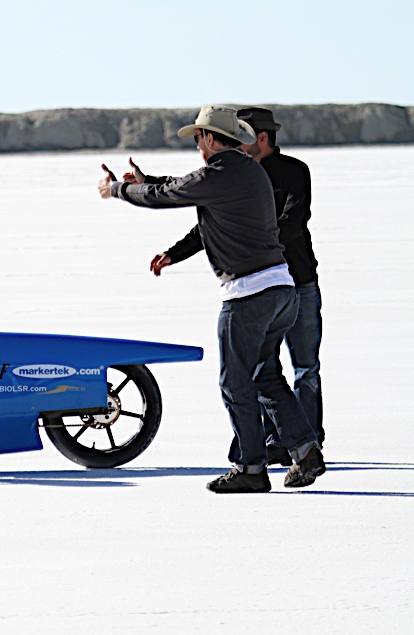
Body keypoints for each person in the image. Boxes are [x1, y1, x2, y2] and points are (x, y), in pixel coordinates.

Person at [97, 105, 323, 493]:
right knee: (265, 375)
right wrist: (145, 180)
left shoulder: (222, 172)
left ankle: (251, 469)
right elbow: (185, 185)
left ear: (213, 139)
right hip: (281, 290)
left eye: (199, 138)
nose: (197, 145)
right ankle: (306, 451)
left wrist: (117, 189)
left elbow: (166, 195)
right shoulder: (247, 170)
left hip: (248, 294)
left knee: (235, 383)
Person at [236, 108, 323, 464]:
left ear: (262, 138)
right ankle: (279, 440)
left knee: (305, 367)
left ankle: (310, 440)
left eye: (241, 136)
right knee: (263, 369)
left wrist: (254, 242)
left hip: (299, 283)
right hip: (261, 287)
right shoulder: (239, 175)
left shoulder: (295, 172)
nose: (235, 144)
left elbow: (292, 221)